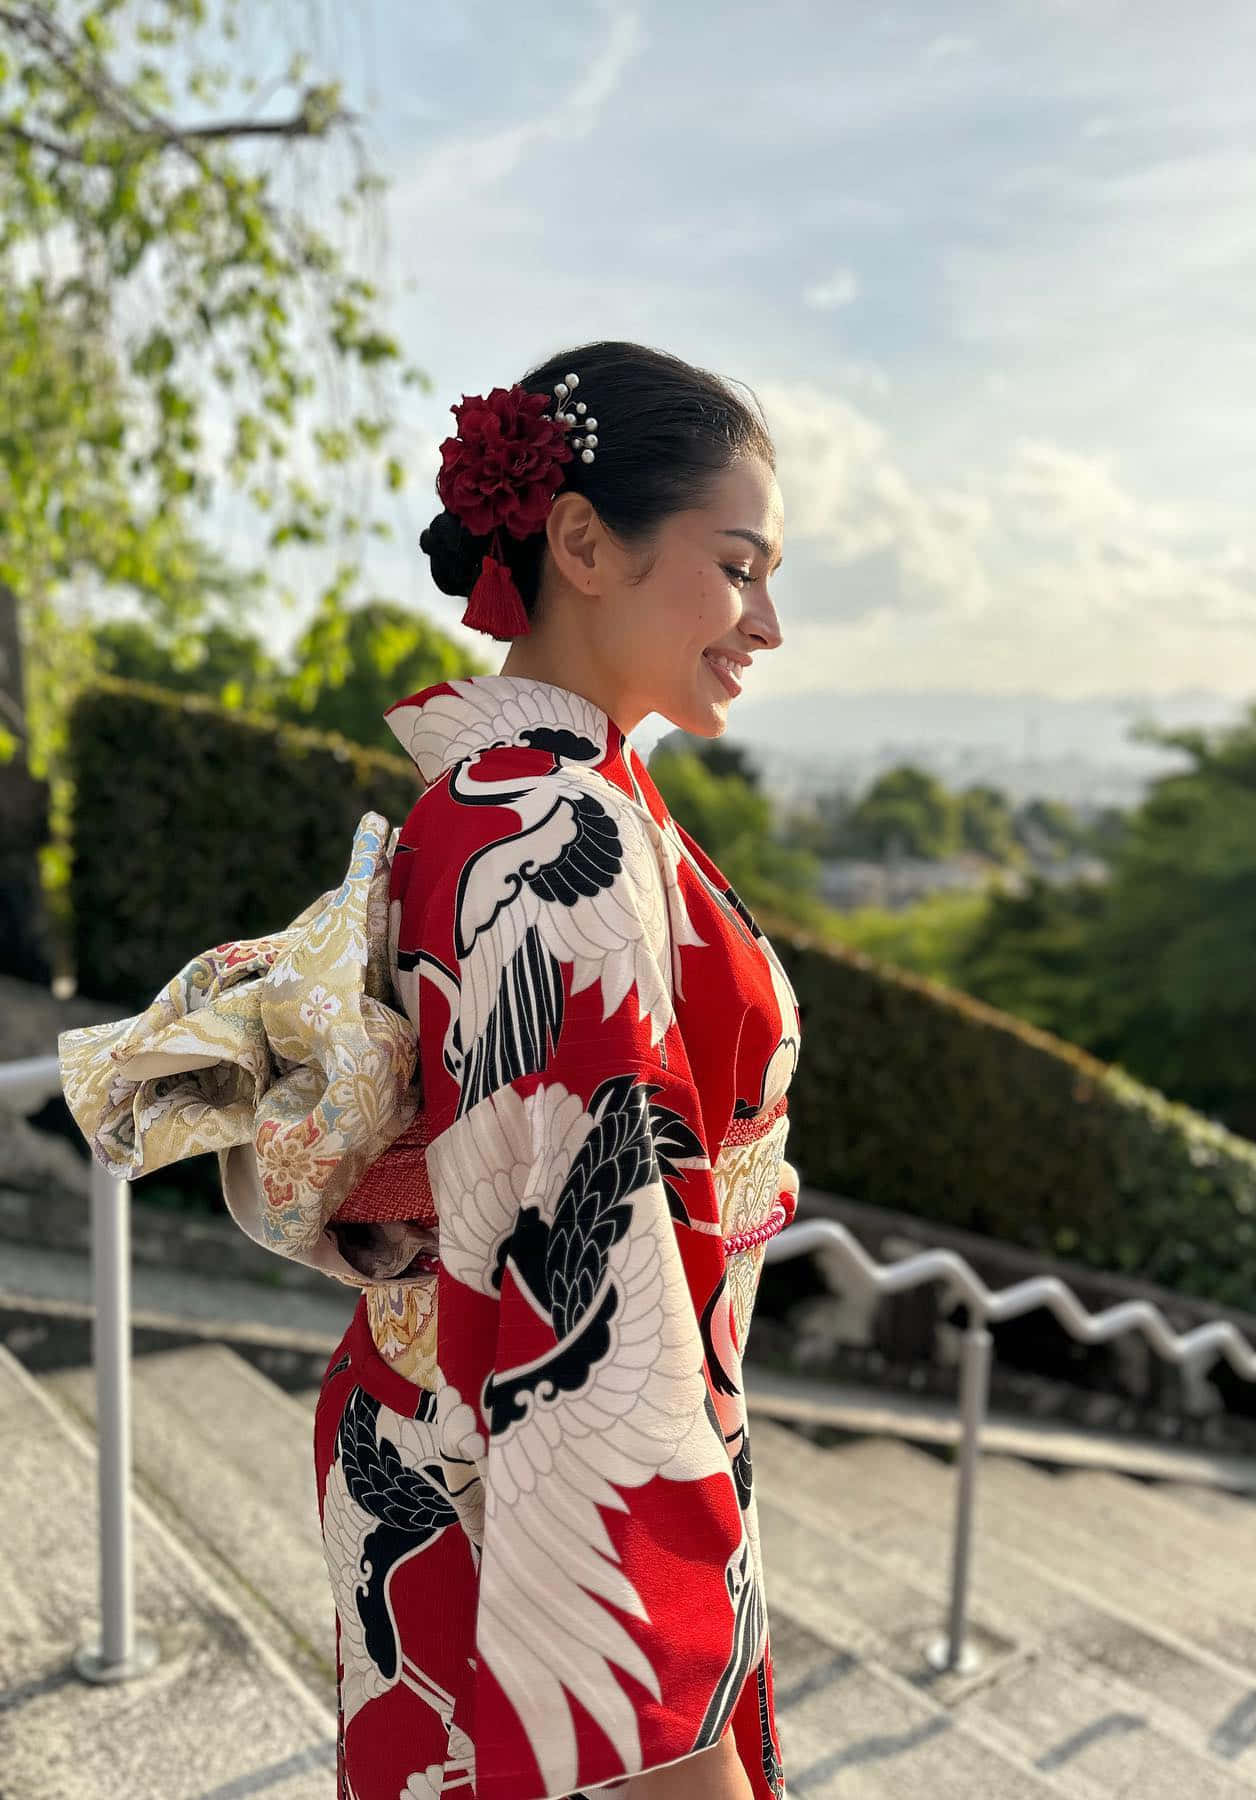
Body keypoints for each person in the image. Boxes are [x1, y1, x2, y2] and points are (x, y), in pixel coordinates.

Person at [59, 342, 799, 1800]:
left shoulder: (539, 796)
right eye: (737, 566)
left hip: (469, 1441)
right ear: (582, 541)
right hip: (524, 1485)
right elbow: (582, 1286)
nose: (767, 619)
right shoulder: (547, 840)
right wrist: (661, 1730)